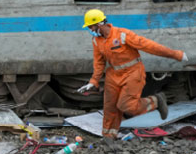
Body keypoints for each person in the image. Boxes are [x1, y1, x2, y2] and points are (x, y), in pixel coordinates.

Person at [77, 9, 188, 138]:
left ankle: (156, 101)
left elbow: (149, 46)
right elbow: (99, 63)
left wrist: (176, 54)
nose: (90, 29)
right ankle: (108, 138)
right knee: (110, 107)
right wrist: (93, 81)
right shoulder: (96, 41)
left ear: (100, 24)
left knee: (127, 106)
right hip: (113, 74)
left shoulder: (122, 35)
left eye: (91, 26)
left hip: (132, 72)